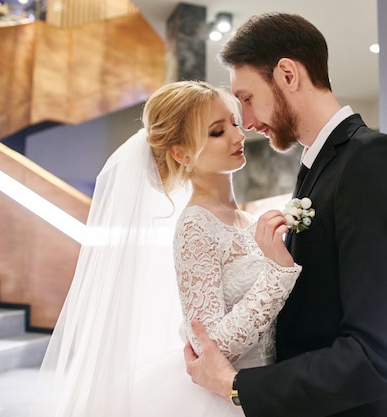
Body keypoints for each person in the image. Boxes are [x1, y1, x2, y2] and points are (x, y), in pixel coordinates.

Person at [183, 12, 387, 417]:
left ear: (288, 75)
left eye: (246, 98)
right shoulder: (317, 166)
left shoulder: (371, 160)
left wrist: (237, 386)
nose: (246, 122)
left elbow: (377, 355)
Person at [24, 80, 302, 417]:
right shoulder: (195, 226)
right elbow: (209, 345)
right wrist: (279, 274)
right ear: (181, 153)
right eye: (217, 132)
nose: (238, 136)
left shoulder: (243, 218)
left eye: (233, 123)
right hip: (224, 399)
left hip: (268, 387)